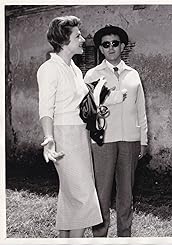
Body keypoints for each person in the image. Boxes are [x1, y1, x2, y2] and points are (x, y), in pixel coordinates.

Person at [37, 16, 102, 238]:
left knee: (71, 195)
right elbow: (46, 109)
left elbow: (79, 103)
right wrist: (49, 139)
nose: (83, 39)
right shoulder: (49, 69)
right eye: (78, 36)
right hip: (64, 137)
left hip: (80, 135)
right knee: (83, 196)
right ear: (64, 40)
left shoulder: (74, 68)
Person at [84, 25, 148, 237]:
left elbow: (141, 109)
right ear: (100, 49)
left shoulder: (133, 75)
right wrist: (107, 104)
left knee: (126, 194)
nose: (110, 48)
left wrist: (143, 140)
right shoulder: (92, 75)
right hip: (103, 141)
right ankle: (100, 236)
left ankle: (124, 236)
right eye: (105, 44)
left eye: (115, 43)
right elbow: (87, 111)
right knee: (102, 192)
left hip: (130, 139)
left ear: (122, 46)